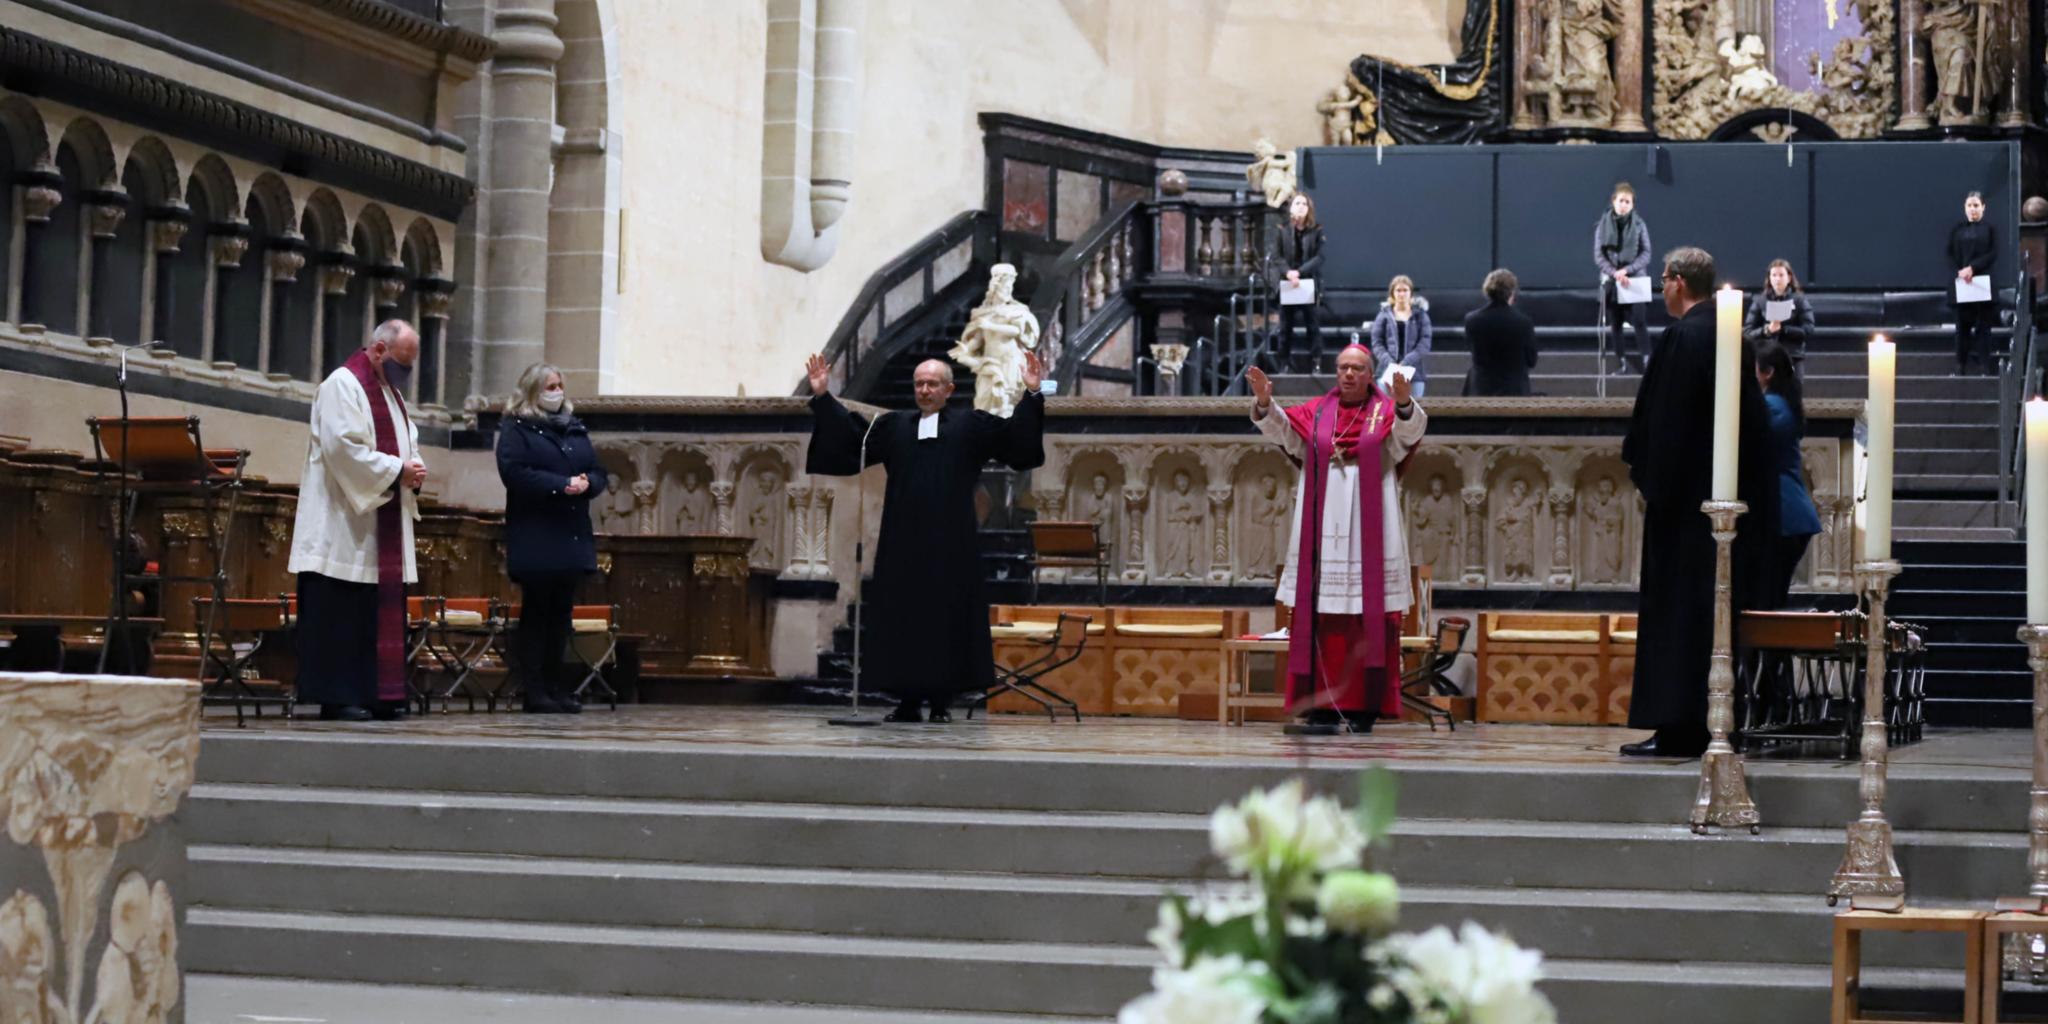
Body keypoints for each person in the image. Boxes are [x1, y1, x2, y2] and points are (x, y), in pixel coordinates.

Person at [803, 352, 1047, 723]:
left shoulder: (970, 425)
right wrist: (823, 397)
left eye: (933, 383)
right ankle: (906, 702)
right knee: (903, 621)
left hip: (952, 546)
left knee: (946, 621)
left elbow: (1016, 441)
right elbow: (853, 436)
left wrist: (1031, 394)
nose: (925, 390)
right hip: (902, 543)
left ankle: (940, 702)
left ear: (949, 389)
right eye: (919, 383)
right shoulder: (895, 426)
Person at [1619, 247, 1777, 758]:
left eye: (1664, 279)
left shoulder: (1685, 337)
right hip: (1727, 503)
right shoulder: (1734, 339)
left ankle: (1678, 725)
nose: (1661, 288)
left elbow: (1663, 426)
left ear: (1680, 282)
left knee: (1678, 615)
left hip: (1683, 509)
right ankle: (1712, 721)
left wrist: (1654, 482)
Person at [1245, 345, 1427, 732]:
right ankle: (1321, 705)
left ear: (1369, 373)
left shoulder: (1385, 412)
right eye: (1343, 367)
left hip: (1370, 521)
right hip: (1323, 521)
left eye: (1357, 368)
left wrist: (1405, 403)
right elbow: (1285, 434)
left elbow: (1411, 432)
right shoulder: (1317, 412)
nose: (1348, 374)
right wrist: (1265, 402)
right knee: (1321, 616)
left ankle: (1365, 707)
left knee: (1367, 617)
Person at [286, 319, 427, 722]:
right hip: (342, 526)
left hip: (378, 525)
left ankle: (379, 693)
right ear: (379, 350)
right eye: (401, 362)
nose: (405, 374)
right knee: (341, 618)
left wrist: (414, 469)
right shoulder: (342, 385)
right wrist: (399, 470)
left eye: (411, 365)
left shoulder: (392, 395)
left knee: (370, 616)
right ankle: (338, 696)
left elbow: (408, 444)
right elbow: (342, 447)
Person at [496, 362, 609, 714]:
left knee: (561, 614)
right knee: (537, 613)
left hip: (570, 533)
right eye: (549, 386)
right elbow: (514, 473)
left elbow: (597, 468)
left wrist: (590, 483)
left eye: (560, 384)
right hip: (536, 533)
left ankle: (557, 685)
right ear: (532, 391)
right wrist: (561, 485)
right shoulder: (517, 428)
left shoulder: (574, 429)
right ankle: (535, 689)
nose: (557, 391)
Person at [1755, 339, 1822, 608]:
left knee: (1767, 597)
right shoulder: (1782, 403)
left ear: (1768, 372)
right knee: (1772, 595)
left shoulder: (1771, 406)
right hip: (1788, 515)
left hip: (1783, 514)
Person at [1594, 181, 1653, 374]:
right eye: (1621, 201)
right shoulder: (1602, 226)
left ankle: (1647, 361)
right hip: (1612, 281)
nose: (1623, 205)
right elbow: (1599, 255)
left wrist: (1627, 270)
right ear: (1613, 201)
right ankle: (1622, 363)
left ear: (1632, 205)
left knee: (1639, 321)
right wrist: (1615, 273)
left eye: (1627, 202)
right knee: (1615, 324)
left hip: (1635, 280)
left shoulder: (1639, 225)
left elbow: (1646, 253)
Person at [1267, 192, 1326, 372]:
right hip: (1287, 283)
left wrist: (1300, 272)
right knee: (1285, 326)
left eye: (1304, 204)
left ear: (1309, 209)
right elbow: (1276, 257)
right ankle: (1283, 362)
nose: (1301, 206)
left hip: (1306, 282)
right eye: (1298, 203)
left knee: (1312, 325)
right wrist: (1289, 273)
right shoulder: (1281, 229)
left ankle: (1316, 361)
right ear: (1291, 208)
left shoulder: (1316, 230)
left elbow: (1319, 257)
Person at [1463, 268, 1539, 396]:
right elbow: (1531, 360)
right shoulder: (1523, 322)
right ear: (1512, 292)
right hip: (1514, 392)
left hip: (1481, 391)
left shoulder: (1472, 320)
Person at [1949, 191, 1998, 376]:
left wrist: (1973, 268)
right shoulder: (1957, 230)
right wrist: (1960, 271)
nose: (1973, 209)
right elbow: (1949, 253)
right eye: (1969, 205)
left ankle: (1984, 367)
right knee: (1962, 327)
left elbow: (1993, 253)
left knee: (1983, 327)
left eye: (1976, 205)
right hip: (1962, 284)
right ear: (1965, 208)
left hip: (1983, 284)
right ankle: (1960, 366)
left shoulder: (1990, 229)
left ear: (1983, 207)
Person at [1741, 259, 1816, 369]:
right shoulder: (1760, 301)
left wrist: (1784, 329)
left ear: (1789, 278)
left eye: (1781, 275)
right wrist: (1766, 330)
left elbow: (1808, 329)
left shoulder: (1800, 300)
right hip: (1766, 356)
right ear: (1769, 278)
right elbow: (1748, 331)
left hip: (1793, 355)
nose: (1777, 279)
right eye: (1774, 275)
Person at [1368, 275, 1433, 397]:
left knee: (1413, 411)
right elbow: (1377, 343)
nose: (1402, 294)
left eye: (1405, 290)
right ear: (1392, 293)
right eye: (1398, 290)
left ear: (1411, 293)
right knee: (1387, 411)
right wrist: (1390, 362)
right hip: (1387, 371)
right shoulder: (1383, 315)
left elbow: (1425, 343)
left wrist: (1407, 361)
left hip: (1414, 372)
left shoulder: (1421, 315)